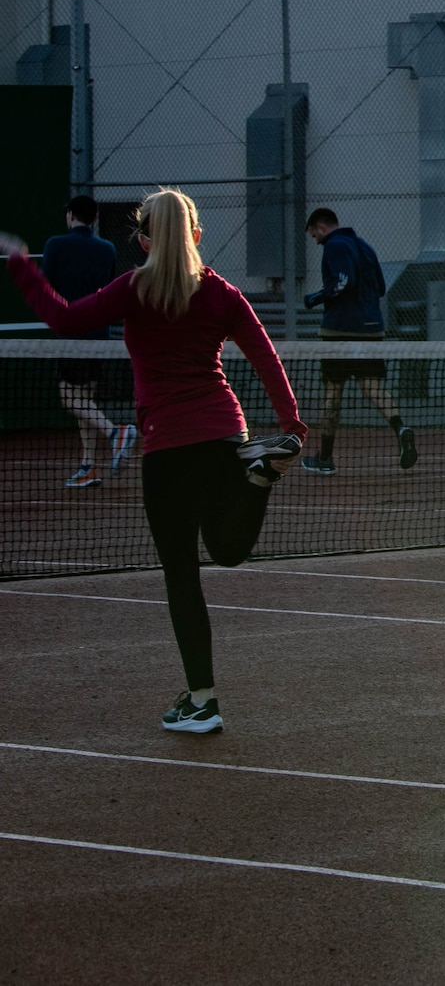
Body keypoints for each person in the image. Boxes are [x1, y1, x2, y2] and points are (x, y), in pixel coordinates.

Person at [2, 189, 306, 734]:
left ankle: (203, 700)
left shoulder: (134, 289)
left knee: (183, 577)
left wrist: (23, 266)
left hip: (168, 447)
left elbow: (65, 319)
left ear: (144, 239)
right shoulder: (221, 293)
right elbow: (265, 353)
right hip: (224, 435)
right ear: (195, 234)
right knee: (228, 551)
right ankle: (258, 479)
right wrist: (291, 427)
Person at [299, 207, 414, 474]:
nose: (315, 239)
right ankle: (401, 428)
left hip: (339, 332)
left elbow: (343, 282)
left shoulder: (334, 245)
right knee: (373, 387)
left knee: (333, 392)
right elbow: (382, 288)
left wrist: (313, 299)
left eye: (314, 233)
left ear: (322, 226)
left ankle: (325, 458)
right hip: (372, 330)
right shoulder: (365, 247)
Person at [40, 194, 136, 487]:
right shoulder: (106, 249)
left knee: (70, 399)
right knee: (84, 400)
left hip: (71, 333)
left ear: (70, 215)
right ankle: (88, 466)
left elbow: (45, 286)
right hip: (99, 334)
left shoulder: (55, 245)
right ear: (94, 218)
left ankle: (114, 432)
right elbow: (106, 288)